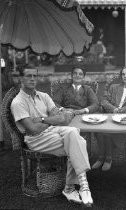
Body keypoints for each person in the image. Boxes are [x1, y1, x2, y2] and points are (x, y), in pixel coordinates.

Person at [10, 66, 93, 207]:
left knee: (73, 133)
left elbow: (62, 119)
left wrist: (43, 119)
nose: (32, 79)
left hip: (53, 131)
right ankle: (77, 186)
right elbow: (33, 130)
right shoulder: (18, 102)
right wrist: (51, 118)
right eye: (28, 76)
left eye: (34, 76)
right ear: (21, 79)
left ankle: (76, 187)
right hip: (36, 140)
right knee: (78, 142)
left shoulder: (44, 96)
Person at [92, 65, 126, 171]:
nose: (125, 76)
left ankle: (107, 158)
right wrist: (114, 109)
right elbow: (104, 100)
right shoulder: (114, 87)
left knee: (107, 131)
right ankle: (101, 157)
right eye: (123, 74)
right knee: (99, 130)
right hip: (112, 115)